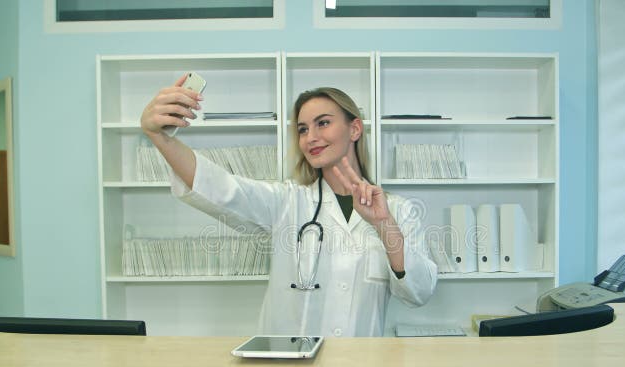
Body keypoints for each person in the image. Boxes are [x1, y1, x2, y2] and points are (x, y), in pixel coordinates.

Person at [140, 74, 437, 337]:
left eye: (323, 123)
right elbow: (221, 189)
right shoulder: (286, 201)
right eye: (303, 129)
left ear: (355, 129)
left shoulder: (397, 211)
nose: (311, 138)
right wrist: (159, 137)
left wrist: (383, 224)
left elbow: (419, 292)